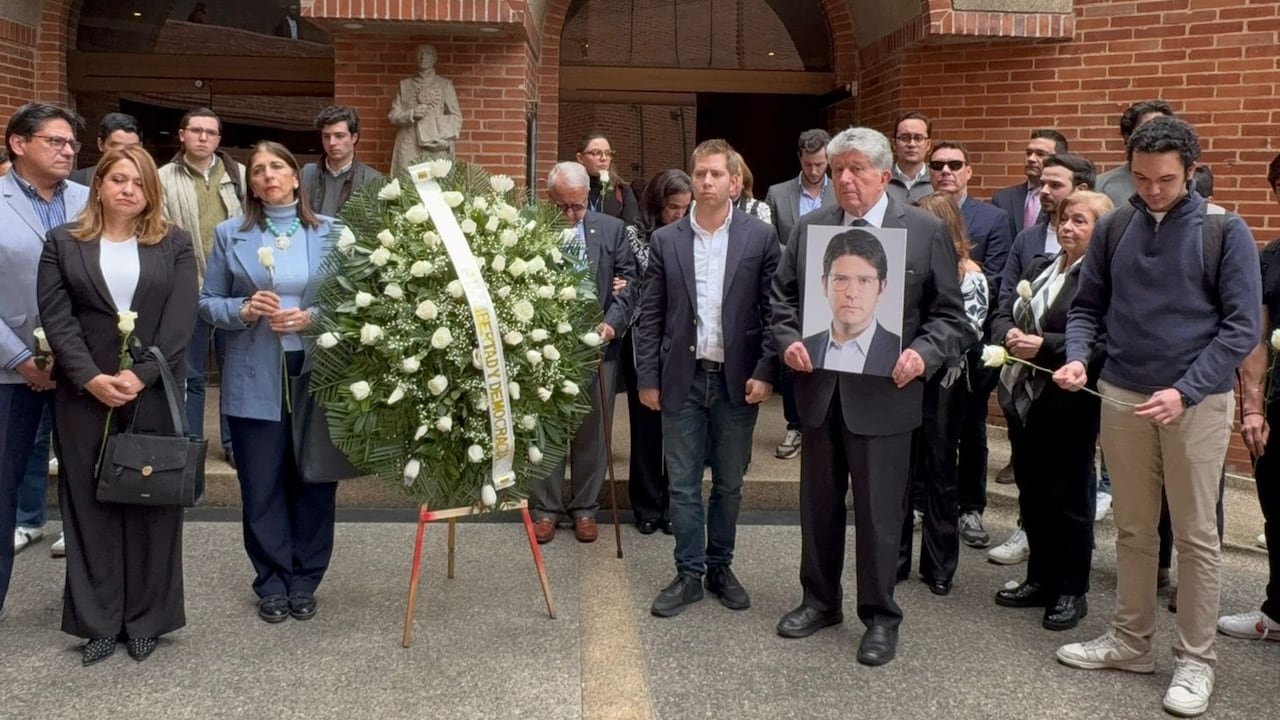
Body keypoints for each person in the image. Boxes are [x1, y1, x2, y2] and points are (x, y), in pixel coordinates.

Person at [1054, 116, 1260, 718]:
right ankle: (1130, 640)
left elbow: (1242, 327)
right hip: (1120, 392)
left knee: (1197, 538)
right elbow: (1088, 308)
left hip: (1195, 402)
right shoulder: (1116, 224)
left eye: (1165, 179)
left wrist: (1187, 390)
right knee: (1134, 530)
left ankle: (1196, 660)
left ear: (1191, 170)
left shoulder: (1227, 231)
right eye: (1140, 177)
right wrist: (1074, 359)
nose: (1151, 189)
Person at [771, 127, 968, 665]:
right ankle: (819, 601)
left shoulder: (923, 230)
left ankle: (880, 616)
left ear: (885, 174)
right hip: (821, 391)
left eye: (857, 169)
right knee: (818, 507)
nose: (847, 179)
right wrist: (788, 342)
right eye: (838, 170)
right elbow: (784, 301)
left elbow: (951, 316)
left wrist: (923, 355)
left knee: (881, 514)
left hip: (886, 395)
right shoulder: (813, 229)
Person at [37, 144, 196, 664]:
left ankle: (148, 618)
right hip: (85, 395)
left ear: (151, 192)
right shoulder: (62, 243)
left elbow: (179, 322)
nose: (129, 189)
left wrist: (139, 375)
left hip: (150, 391)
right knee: (88, 504)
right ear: (99, 185)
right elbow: (57, 318)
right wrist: (89, 378)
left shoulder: (173, 243)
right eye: (119, 179)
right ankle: (98, 622)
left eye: (140, 182)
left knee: (152, 500)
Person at [198, 141, 341, 624]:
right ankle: (272, 581)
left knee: (314, 481)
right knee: (261, 485)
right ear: (250, 183)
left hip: (314, 375)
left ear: (297, 177)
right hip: (253, 375)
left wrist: (312, 317)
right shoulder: (228, 234)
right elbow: (208, 302)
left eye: (276, 166)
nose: (267, 176)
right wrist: (241, 310)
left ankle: (306, 579)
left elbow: (356, 302)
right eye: (258, 170)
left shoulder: (331, 233)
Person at [636, 139, 779, 618]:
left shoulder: (759, 238)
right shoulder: (666, 240)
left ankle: (721, 566)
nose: (707, 182)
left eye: (716, 174)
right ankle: (688, 573)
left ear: (734, 182)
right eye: (700, 174)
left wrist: (766, 371)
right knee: (681, 483)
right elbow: (651, 314)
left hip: (737, 381)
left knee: (730, 484)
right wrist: (647, 378)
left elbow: (773, 309)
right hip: (682, 378)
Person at [990, 190, 1112, 632]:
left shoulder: (1103, 278)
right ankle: (1038, 579)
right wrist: (1008, 335)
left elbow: (1104, 343)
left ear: (1101, 231)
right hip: (1025, 399)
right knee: (1033, 492)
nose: (1068, 227)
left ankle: (1070, 590)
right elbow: (1002, 310)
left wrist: (1046, 347)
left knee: (1069, 499)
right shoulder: (1040, 267)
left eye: (1081, 221)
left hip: (1068, 401)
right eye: (1064, 218)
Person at [0, 103, 88, 623]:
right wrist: (19, 357)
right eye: (56, 141)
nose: (68, 151)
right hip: (11, 374)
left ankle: (91, 607)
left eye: (71, 144)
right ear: (18, 144)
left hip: (84, 370)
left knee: (87, 489)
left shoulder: (88, 198)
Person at [531, 162, 637, 544]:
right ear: (551, 199)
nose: (572, 214)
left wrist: (610, 324)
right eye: (564, 207)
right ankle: (545, 508)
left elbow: (628, 283)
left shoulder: (611, 229)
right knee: (547, 428)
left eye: (579, 205)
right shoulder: (534, 231)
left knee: (593, 431)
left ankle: (585, 509)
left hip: (599, 348)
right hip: (546, 351)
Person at [897, 191, 987, 595]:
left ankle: (938, 565)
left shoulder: (971, 275)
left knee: (939, 472)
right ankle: (895, 559)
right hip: (901, 379)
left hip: (946, 384)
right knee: (899, 473)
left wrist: (925, 349)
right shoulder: (904, 267)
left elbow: (970, 329)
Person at [926, 140, 1012, 550]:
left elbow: (997, 277)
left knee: (971, 432)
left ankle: (970, 507)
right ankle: (926, 503)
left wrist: (959, 269)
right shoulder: (919, 207)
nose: (946, 170)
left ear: (968, 171)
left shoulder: (992, 217)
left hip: (969, 351)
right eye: (938, 164)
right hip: (926, 358)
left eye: (954, 164)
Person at [158, 107, 245, 468]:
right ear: (182, 135)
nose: (203, 137)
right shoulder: (163, 177)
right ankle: (190, 445)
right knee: (190, 375)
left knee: (235, 371)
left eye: (211, 132)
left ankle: (233, 443)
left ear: (219, 139)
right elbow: (158, 232)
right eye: (196, 131)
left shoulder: (240, 174)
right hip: (186, 289)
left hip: (234, 291)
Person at [1218, 152, 1280, 642]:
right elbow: (1254, 337)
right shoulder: (1270, 256)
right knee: (1277, 507)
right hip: (1278, 404)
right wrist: (1253, 406)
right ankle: (1277, 613)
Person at [624, 169, 691, 535]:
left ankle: (673, 503)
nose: (679, 215)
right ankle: (647, 503)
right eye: (672, 208)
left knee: (679, 429)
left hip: (681, 339)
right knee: (646, 427)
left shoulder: (692, 232)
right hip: (645, 338)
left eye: (685, 207)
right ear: (656, 204)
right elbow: (645, 276)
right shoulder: (635, 234)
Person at [764, 129, 835, 462]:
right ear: (800, 160)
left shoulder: (840, 192)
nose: (814, 171)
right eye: (809, 164)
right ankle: (795, 425)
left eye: (820, 164)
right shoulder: (778, 194)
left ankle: (824, 426)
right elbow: (769, 239)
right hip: (793, 286)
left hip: (833, 288)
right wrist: (801, 254)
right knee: (793, 355)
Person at [802, 230, 902, 376]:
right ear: (824, 284)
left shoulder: (901, 352)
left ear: (881, 287)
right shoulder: (805, 348)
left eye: (864, 281)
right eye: (841, 279)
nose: (852, 294)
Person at [389, 44, 462, 174]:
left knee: (435, 188)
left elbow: (456, 117)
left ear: (435, 58)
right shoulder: (404, 85)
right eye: (420, 53)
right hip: (409, 145)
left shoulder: (444, 85)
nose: (423, 57)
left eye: (428, 53)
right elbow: (393, 116)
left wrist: (445, 143)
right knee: (405, 187)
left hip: (434, 146)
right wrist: (411, 114)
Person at [300, 105, 382, 217]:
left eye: (339, 136)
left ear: (354, 137)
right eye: (326, 136)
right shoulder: (307, 174)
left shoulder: (372, 179)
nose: (332, 142)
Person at [1095, 100, 1175, 207]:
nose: (1156, 136)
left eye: (1163, 130)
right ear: (1128, 136)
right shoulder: (1101, 186)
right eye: (1146, 131)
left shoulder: (1190, 185)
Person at [991, 129, 1068, 236]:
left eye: (1040, 154)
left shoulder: (1066, 199)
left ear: (1059, 159)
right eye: (1028, 153)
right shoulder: (1003, 199)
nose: (1031, 159)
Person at [576, 134, 639, 227]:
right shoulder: (571, 188)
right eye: (596, 152)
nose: (604, 158)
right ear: (580, 158)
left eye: (608, 153)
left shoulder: (622, 190)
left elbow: (632, 227)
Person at [70, 112, 142, 187]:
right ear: (101, 144)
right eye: (115, 146)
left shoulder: (150, 181)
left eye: (131, 148)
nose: (124, 153)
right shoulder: (78, 181)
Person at [886, 112, 934, 204]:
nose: (912, 144)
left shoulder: (937, 181)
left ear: (928, 145)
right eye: (904, 138)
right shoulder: (881, 180)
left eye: (918, 138)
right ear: (894, 144)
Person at [729, 152, 771, 224]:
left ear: (744, 182)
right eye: (729, 174)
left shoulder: (759, 209)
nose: (733, 180)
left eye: (738, 174)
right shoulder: (707, 209)